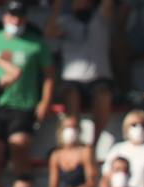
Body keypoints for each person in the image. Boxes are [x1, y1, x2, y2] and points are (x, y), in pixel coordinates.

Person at [0, 1, 55, 179]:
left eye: (19, 16)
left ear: (26, 19)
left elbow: (49, 75)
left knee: (19, 148)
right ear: (4, 17)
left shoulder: (36, 43)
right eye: (12, 15)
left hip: (23, 104)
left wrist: (45, 101)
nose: (15, 20)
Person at [46, 0, 116, 142]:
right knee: (71, 95)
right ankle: (75, 141)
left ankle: (95, 143)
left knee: (103, 95)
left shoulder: (100, 19)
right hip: (72, 80)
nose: (82, 4)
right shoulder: (65, 22)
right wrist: (57, 6)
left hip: (99, 78)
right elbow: (49, 32)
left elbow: (108, 4)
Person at [44, 115, 99, 187]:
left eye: (74, 127)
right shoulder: (56, 155)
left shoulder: (85, 151)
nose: (70, 131)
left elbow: (91, 185)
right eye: (67, 127)